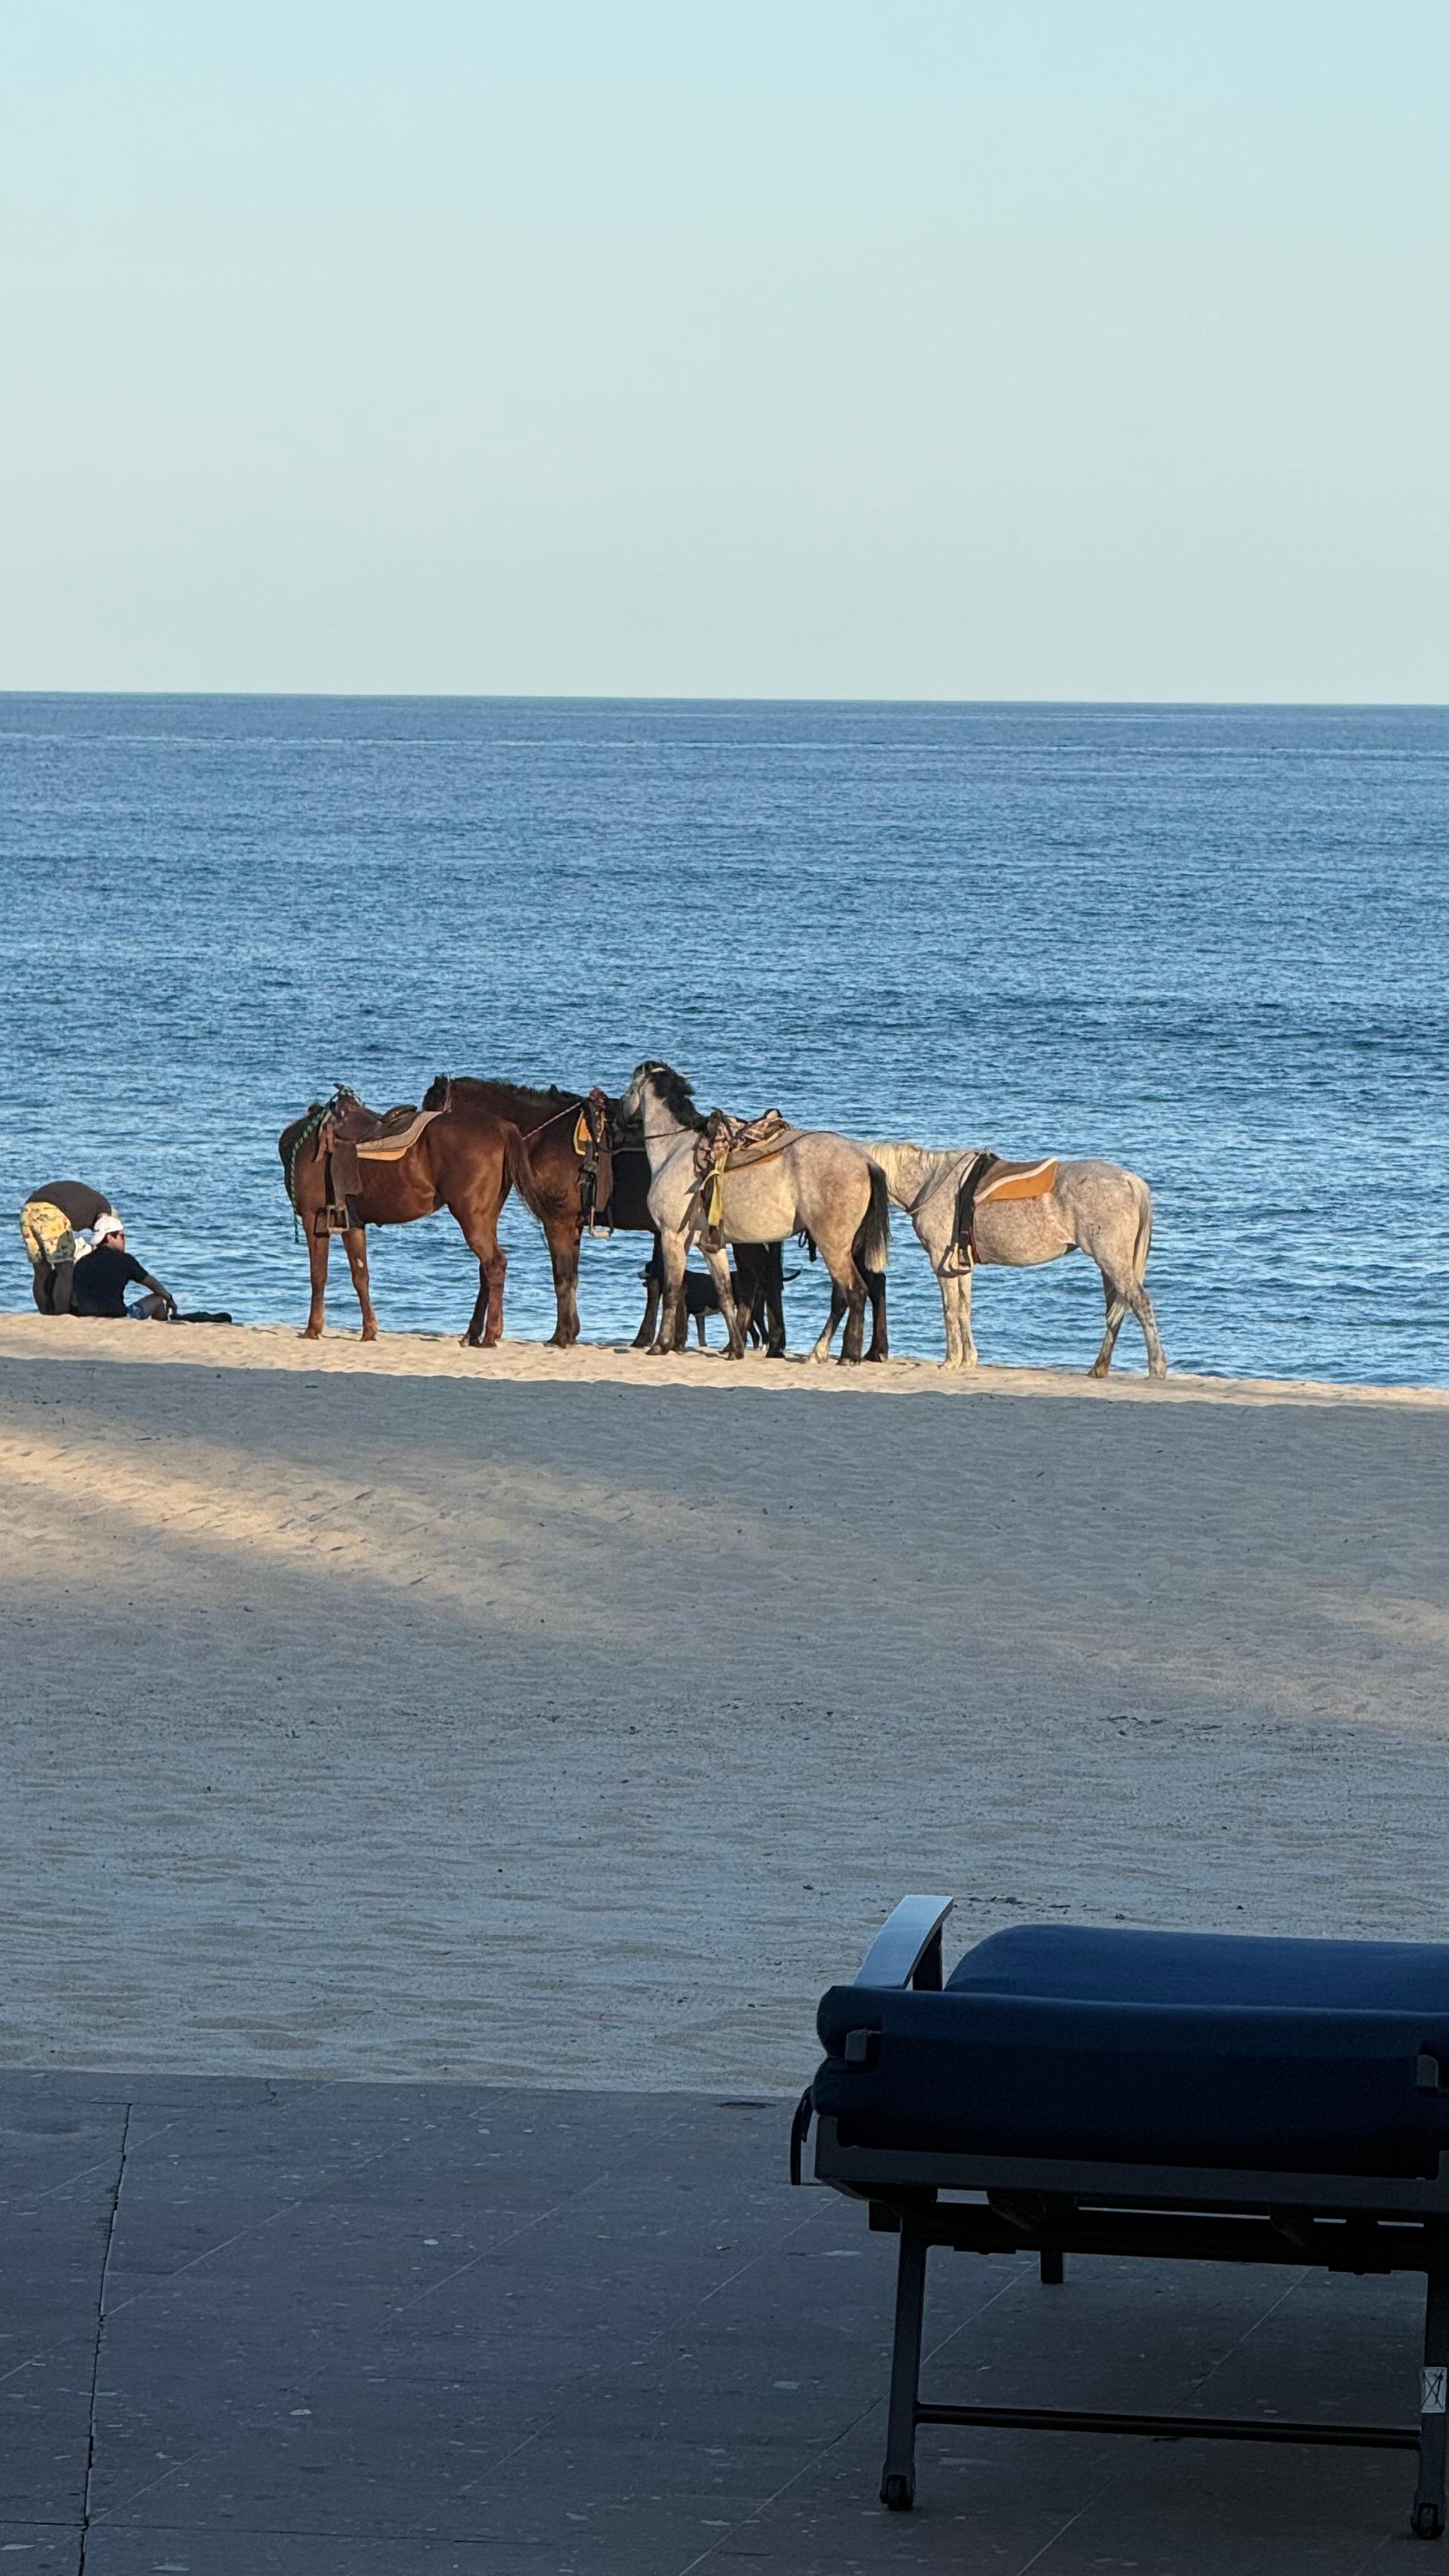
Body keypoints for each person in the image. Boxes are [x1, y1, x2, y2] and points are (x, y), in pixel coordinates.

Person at [19, 1178, 118, 1314]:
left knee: (41, 1269)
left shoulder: (92, 1200)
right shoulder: (104, 1209)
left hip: (28, 1209)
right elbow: (102, 1238)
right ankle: (61, 1315)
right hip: (51, 1212)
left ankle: (44, 1313)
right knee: (65, 1268)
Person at [68, 1213, 177, 1321]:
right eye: (122, 1236)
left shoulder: (83, 1262)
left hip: (84, 1317)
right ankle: (161, 1332)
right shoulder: (126, 1260)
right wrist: (169, 1299)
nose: (125, 1240)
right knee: (158, 1299)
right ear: (110, 1237)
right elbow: (153, 1284)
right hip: (117, 1317)